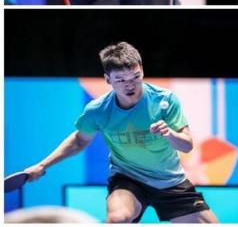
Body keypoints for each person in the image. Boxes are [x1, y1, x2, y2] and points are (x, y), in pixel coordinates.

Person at [24, 42, 218, 223]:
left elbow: (187, 145)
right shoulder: (98, 110)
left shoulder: (164, 100)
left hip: (170, 181)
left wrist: (169, 133)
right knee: (117, 218)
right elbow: (78, 141)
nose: (130, 84)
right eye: (121, 79)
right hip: (128, 179)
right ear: (108, 79)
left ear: (142, 71)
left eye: (135, 77)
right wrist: (42, 165)